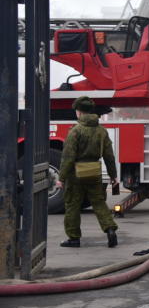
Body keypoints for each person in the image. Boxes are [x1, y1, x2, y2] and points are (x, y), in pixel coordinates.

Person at [55, 96, 119, 248]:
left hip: (75, 174)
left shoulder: (75, 131)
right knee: (98, 202)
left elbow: (68, 157)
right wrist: (113, 176)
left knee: (72, 205)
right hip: (93, 172)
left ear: (79, 112)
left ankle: (74, 238)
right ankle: (110, 230)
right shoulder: (101, 131)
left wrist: (61, 178)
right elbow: (109, 156)